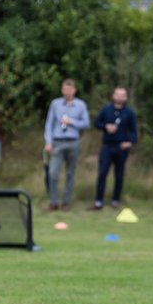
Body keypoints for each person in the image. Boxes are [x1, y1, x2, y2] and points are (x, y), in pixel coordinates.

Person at [44, 78, 90, 211]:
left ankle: (66, 202)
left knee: (70, 173)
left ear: (74, 90)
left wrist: (72, 122)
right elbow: (49, 124)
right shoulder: (55, 104)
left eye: (69, 89)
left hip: (73, 141)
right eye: (64, 89)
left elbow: (86, 123)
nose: (67, 92)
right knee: (53, 173)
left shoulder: (80, 105)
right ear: (62, 90)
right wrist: (48, 142)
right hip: (58, 142)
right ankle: (53, 201)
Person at [90, 86, 138, 210]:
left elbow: (134, 132)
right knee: (102, 173)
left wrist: (129, 142)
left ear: (125, 97)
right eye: (118, 94)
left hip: (121, 148)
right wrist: (106, 127)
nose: (120, 97)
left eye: (122, 95)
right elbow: (97, 123)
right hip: (107, 146)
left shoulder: (129, 113)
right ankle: (98, 201)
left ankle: (115, 200)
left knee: (119, 174)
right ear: (113, 96)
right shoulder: (106, 109)